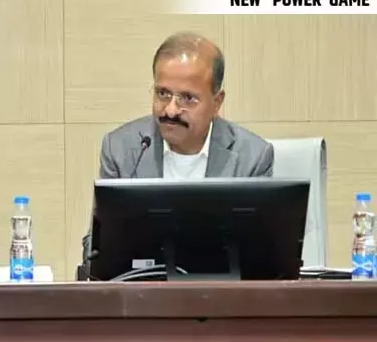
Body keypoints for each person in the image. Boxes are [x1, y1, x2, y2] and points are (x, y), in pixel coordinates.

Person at [80, 31, 274, 273]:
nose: (170, 110)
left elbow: (261, 256)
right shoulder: (121, 149)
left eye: (188, 98)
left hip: (220, 292)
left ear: (217, 102)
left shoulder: (252, 157)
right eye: (163, 94)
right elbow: (96, 249)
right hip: (144, 291)